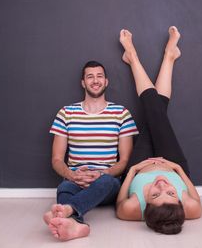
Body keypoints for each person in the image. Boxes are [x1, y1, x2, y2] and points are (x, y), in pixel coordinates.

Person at [116, 27, 202, 234]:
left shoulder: (131, 210)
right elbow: (195, 196)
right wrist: (176, 169)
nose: (162, 184)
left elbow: (119, 202)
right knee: (157, 113)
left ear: (146, 207)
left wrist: (134, 170)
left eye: (155, 194)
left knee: (155, 113)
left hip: (140, 165)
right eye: (171, 193)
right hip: (172, 163)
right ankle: (145, 57)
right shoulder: (192, 209)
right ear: (179, 203)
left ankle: (152, 57)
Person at [43, 60, 139, 241]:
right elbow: (56, 159)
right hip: (75, 179)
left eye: (99, 76)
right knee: (64, 188)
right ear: (83, 83)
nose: (95, 80)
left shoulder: (121, 113)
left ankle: (67, 212)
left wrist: (102, 173)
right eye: (90, 76)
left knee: (107, 182)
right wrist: (72, 176)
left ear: (106, 81)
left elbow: (124, 161)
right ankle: (74, 224)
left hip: (107, 183)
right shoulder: (66, 113)